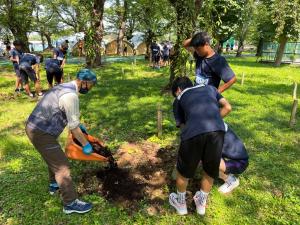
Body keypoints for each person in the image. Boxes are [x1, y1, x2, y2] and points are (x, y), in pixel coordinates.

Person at [25, 69, 97, 214]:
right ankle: (70, 203)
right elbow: (74, 127)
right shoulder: (71, 96)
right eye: (91, 85)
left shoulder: (63, 87)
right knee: (62, 166)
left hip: (35, 127)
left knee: (53, 157)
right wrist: (86, 144)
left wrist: (76, 124)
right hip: (41, 132)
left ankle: (54, 184)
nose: (91, 88)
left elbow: (65, 114)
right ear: (84, 82)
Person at [169, 76, 232, 216]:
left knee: (183, 172)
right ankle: (201, 205)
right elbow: (228, 107)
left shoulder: (179, 99)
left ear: (178, 90)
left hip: (193, 132)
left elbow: (183, 127)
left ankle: (181, 205)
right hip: (217, 130)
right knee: (210, 170)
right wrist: (211, 121)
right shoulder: (211, 89)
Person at [218, 124, 249, 194]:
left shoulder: (210, 128)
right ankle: (219, 172)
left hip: (240, 163)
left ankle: (231, 180)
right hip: (230, 157)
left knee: (208, 157)